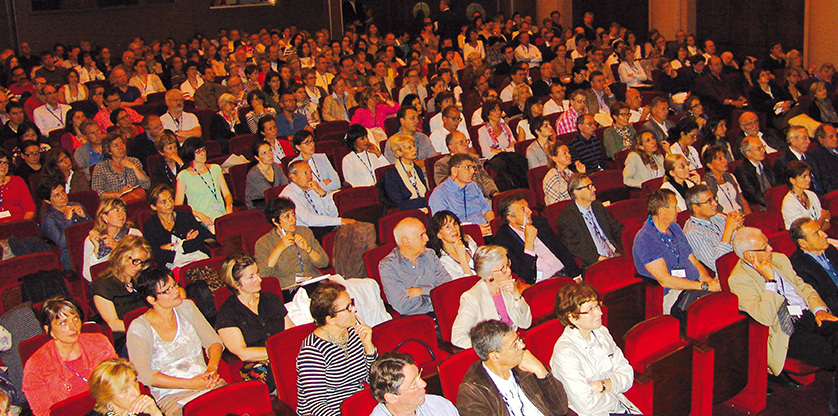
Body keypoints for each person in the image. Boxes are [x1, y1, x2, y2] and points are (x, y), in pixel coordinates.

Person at [728, 227, 838, 399]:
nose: (771, 249)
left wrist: (819, 309)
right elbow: (764, 317)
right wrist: (770, 280)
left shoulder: (780, 259)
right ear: (749, 255)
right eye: (764, 247)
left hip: (809, 315)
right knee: (829, 354)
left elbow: (804, 287)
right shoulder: (739, 279)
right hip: (787, 330)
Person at [127, 266, 225, 416]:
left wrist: (211, 369)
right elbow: (144, 374)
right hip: (173, 394)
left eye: (175, 285)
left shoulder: (187, 307)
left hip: (207, 381)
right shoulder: (139, 328)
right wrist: (190, 384)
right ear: (152, 299)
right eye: (167, 290)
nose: (176, 291)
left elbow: (214, 341)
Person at [551, 282, 640, 415]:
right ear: (573, 318)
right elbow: (587, 405)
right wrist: (613, 388)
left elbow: (627, 374)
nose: (599, 313)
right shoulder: (565, 352)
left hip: (621, 407)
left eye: (597, 305)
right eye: (590, 310)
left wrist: (601, 385)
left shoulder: (601, 332)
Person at [22, 297, 118, 416]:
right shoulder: (36, 365)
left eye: (75, 319)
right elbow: (44, 412)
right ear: (49, 330)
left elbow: (119, 383)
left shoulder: (99, 343)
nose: (73, 327)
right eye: (63, 323)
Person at [632, 189, 720, 315]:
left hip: (695, 286)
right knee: (711, 311)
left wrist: (709, 282)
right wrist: (704, 287)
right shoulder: (645, 239)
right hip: (672, 294)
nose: (679, 210)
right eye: (674, 206)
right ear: (661, 211)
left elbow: (693, 261)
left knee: (721, 300)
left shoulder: (674, 228)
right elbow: (665, 280)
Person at [296, 281, 377, 416]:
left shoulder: (354, 333)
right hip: (329, 411)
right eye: (348, 308)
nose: (354, 310)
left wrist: (369, 347)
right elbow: (317, 404)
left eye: (352, 304)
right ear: (330, 319)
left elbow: (372, 380)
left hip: (357, 406)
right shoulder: (312, 351)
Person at [216, 254, 295, 391]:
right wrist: (277, 352)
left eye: (257, 273)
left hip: (284, 355)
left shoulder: (272, 300)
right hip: (257, 364)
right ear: (236, 284)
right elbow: (243, 353)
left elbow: (290, 333)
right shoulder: (227, 313)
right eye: (251, 277)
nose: (259, 279)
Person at [457, 319, 568, 415]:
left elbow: (561, 409)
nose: (522, 345)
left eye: (518, 339)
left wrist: (541, 372)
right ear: (495, 356)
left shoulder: (524, 365)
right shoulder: (472, 392)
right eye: (514, 345)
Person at [451, 245, 532, 348]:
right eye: (503, 268)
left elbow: (525, 323)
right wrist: (489, 348)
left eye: (508, 264)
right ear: (489, 276)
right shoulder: (472, 298)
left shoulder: (507, 287)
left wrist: (516, 295)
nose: (509, 271)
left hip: (515, 345)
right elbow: (458, 337)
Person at [494, 192, 582, 284]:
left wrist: (576, 275)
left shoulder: (539, 222)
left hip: (565, 274)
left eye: (528, 207)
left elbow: (561, 249)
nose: (530, 211)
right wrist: (529, 244)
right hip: (544, 284)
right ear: (511, 218)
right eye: (523, 209)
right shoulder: (503, 242)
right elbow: (525, 275)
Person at [254, 196, 328, 291]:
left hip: (313, 281)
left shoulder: (305, 232)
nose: (293, 219)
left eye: (293, 214)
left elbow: (324, 262)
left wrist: (308, 249)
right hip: (290, 288)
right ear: (275, 221)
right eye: (287, 217)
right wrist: (279, 248)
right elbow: (263, 273)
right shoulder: (264, 243)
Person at [558, 173, 625, 268]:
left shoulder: (597, 207)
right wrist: (599, 258)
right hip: (594, 262)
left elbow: (616, 228)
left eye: (592, 185)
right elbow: (573, 246)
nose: (594, 189)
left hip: (614, 254)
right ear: (576, 192)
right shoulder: (568, 218)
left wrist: (629, 246)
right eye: (588, 187)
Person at [279, 160, 355, 241]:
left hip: (322, 228)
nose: (310, 176)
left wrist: (322, 194)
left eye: (310, 172)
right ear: (293, 177)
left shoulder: (312, 188)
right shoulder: (288, 195)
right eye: (305, 173)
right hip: (305, 234)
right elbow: (309, 220)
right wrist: (339, 221)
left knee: (357, 230)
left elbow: (334, 214)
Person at [143, 184, 212, 269]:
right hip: (173, 267)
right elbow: (157, 255)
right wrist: (186, 244)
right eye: (163, 202)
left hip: (197, 258)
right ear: (153, 206)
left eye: (170, 199)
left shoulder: (185, 216)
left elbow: (202, 238)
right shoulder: (150, 227)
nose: (169, 204)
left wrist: (175, 247)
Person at [368, 352, 459, 416]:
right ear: (392, 398)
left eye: (419, 377)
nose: (423, 384)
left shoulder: (439, 405)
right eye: (414, 385)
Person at [174, 137, 233, 234]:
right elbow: (179, 206)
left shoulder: (215, 168)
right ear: (191, 154)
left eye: (203, 150)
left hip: (221, 214)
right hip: (201, 219)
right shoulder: (183, 176)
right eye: (198, 152)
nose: (202, 153)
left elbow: (227, 194)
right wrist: (199, 214)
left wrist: (229, 206)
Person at [683, 185, 744, 274]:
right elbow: (717, 264)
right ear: (695, 208)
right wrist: (729, 230)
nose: (715, 203)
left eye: (714, 198)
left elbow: (741, 239)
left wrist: (739, 225)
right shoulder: (692, 232)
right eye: (709, 201)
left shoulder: (718, 216)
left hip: (743, 260)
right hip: (730, 273)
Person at [429, 153, 494, 231]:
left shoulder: (473, 186)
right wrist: (475, 231)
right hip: (461, 235)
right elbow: (445, 226)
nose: (473, 171)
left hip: (485, 231)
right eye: (467, 167)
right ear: (454, 170)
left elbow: (486, 210)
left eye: (473, 168)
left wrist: (492, 225)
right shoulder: (439, 193)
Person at [38, 180, 90, 270]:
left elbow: (95, 229)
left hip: (88, 245)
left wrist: (85, 217)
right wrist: (68, 220)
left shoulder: (76, 205)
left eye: (63, 192)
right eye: (56, 195)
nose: (63, 197)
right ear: (48, 201)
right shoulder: (49, 218)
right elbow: (63, 244)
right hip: (70, 254)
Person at [789, 218, 838, 314]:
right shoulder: (798, 266)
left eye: (821, 230)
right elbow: (825, 300)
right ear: (803, 243)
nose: (825, 235)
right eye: (816, 233)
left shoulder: (830, 249)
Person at [86, 358, 164, 416]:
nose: (136, 393)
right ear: (107, 397)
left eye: (134, 382)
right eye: (124, 390)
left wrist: (156, 413)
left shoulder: (146, 405)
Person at [434, 131, 498, 199]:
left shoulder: (474, 158)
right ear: (451, 147)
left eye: (467, 141)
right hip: (461, 201)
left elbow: (485, 179)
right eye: (461, 142)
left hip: (483, 198)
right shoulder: (442, 164)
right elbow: (446, 188)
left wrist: (493, 193)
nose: (466, 144)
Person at [91, 133, 149, 203]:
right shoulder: (101, 168)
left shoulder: (134, 161)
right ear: (109, 151)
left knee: (141, 192)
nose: (121, 147)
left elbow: (146, 185)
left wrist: (134, 168)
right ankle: (122, 201)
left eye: (122, 143)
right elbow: (97, 193)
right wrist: (118, 194)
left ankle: (123, 201)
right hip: (113, 203)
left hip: (135, 202)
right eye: (116, 145)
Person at [427, 210, 479, 279]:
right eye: (448, 227)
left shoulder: (468, 240)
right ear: (439, 235)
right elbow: (467, 284)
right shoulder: (442, 261)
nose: (454, 229)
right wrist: (462, 256)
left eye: (455, 224)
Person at [383, 134, 429, 211]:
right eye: (409, 148)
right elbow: (400, 204)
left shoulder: (417, 169)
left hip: (425, 208)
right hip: (407, 213)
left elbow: (426, 192)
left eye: (413, 146)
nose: (414, 149)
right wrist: (425, 201)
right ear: (399, 152)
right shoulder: (391, 175)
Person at [781, 161, 830, 230]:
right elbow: (807, 233)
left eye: (809, 175)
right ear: (792, 180)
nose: (809, 179)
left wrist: (819, 224)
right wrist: (823, 217)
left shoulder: (811, 195)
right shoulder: (790, 204)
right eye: (804, 177)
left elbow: (827, 224)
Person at [702, 145, 750, 215]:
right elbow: (711, 210)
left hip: (740, 214)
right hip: (725, 220)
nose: (725, 160)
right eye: (720, 159)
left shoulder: (731, 176)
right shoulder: (705, 184)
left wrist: (750, 217)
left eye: (724, 157)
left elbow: (742, 200)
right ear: (710, 165)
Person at [733, 136, 777, 211]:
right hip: (760, 206)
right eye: (758, 149)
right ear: (748, 153)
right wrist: (773, 204)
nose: (763, 150)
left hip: (773, 201)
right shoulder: (742, 170)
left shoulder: (766, 165)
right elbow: (753, 194)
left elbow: (776, 185)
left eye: (763, 147)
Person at [246, 140, 289, 210]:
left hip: (277, 203)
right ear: (257, 157)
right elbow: (269, 194)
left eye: (270, 151)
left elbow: (286, 186)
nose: (270, 155)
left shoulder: (276, 167)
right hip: (260, 208)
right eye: (264, 153)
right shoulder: (254, 174)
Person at [807, 124, 838, 194]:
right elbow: (827, 182)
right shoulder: (817, 156)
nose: (836, 139)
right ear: (821, 140)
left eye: (836, 135)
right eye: (831, 137)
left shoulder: (835, 149)